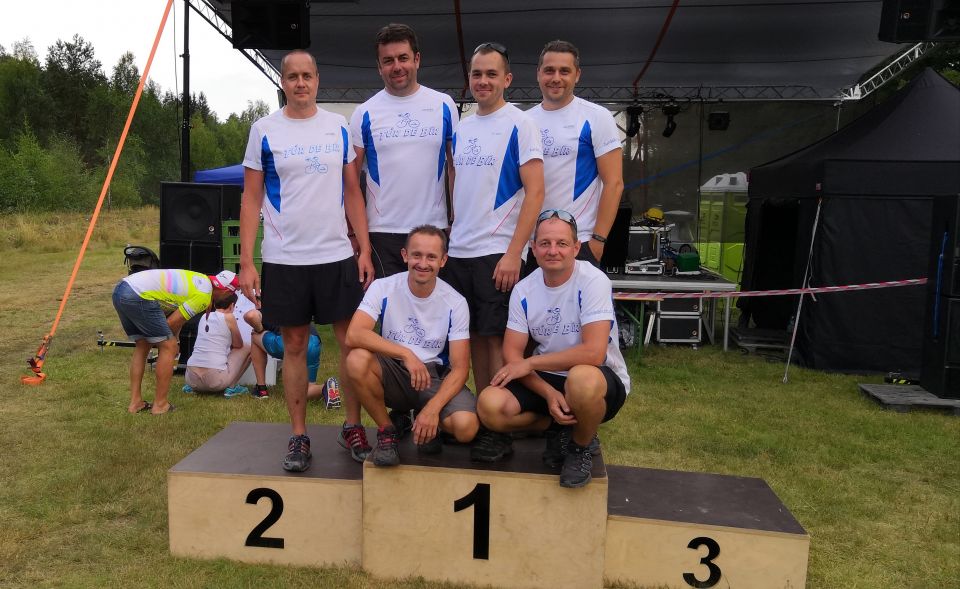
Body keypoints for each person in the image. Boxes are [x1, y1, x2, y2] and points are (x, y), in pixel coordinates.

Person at [238, 49, 375, 472]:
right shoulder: (264, 130)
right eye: (293, 76)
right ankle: (299, 435)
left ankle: (352, 425)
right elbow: (251, 198)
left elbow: (352, 191)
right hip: (285, 259)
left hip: (336, 256)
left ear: (318, 80)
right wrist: (246, 262)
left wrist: (364, 247)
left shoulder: (338, 126)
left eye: (307, 76)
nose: (300, 83)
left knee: (350, 343)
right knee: (295, 345)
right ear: (283, 82)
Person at [471, 210, 630, 488]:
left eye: (561, 243)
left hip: (597, 377)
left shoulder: (593, 280)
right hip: (549, 378)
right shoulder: (524, 289)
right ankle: (560, 425)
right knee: (489, 405)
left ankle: (580, 447)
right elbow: (512, 355)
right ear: (533, 248)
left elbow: (594, 353)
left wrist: (530, 363)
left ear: (576, 248)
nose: (553, 251)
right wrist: (548, 393)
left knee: (580, 378)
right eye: (545, 243)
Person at [443, 41, 544, 395]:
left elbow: (536, 191)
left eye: (491, 74)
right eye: (477, 74)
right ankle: (484, 410)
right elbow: (456, 180)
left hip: (497, 251)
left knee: (496, 339)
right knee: (470, 335)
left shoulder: (521, 124)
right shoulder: (462, 127)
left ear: (507, 79)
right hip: (460, 250)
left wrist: (515, 253)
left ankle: (499, 414)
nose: (483, 81)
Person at [344, 225, 479, 466]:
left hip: (434, 377)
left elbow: (460, 369)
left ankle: (426, 423)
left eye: (431, 257)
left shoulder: (456, 302)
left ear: (443, 260)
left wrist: (432, 409)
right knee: (356, 359)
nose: (423, 263)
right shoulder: (383, 287)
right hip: (393, 371)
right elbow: (354, 334)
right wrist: (406, 354)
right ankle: (387, 432)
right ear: (405, 255)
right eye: (417, 255)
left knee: (466, 428)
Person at [350, 23, 458, 277]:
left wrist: (456, 220)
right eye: (388, 61)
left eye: (403, 58)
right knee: (388, 303)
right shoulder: (364, 112)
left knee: (432, 302)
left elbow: (456, 168)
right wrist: (357, 237)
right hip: (382, 232)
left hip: (433, 229)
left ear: (417, 59)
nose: (396, 66)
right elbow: (350, 182)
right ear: (379, 67)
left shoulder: (444, 105)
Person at [526, 40, 623, 270]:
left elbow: (614, 183)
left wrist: (598, 240)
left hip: (578, 243)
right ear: (538, 74)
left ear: (577, 75)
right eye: (549, 70)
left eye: (564, 71)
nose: (556, 78)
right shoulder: (524, 121)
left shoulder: (596, 116)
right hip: (533, 244)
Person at [111, 269, 240, 415]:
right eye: (231, 294)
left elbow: (178, 318)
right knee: (169, 347)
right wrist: (172, 344)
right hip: (138, 295)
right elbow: (172, 322)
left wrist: (173, 339)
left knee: (143, 345)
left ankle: (136, 403)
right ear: (226, 292)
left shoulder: (201, 279)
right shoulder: (203, 296)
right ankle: (160, 405)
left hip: (122, 289)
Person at [243, 308, 325, 401]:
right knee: (306, 390)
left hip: (289, 343)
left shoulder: (268, 309)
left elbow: (251, 316)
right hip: (314, 343)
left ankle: (261, 389)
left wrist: (260, 330)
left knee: (255, 335)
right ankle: (326, 387)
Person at [184, 292, 252, 396]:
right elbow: (238, 345)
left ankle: (192, 388)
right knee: (247, 347)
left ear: (215, 304)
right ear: (232, 305)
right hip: (214, 380)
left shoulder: (204, 316)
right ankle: (232, 388)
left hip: (191, 379)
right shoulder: (229, 317)